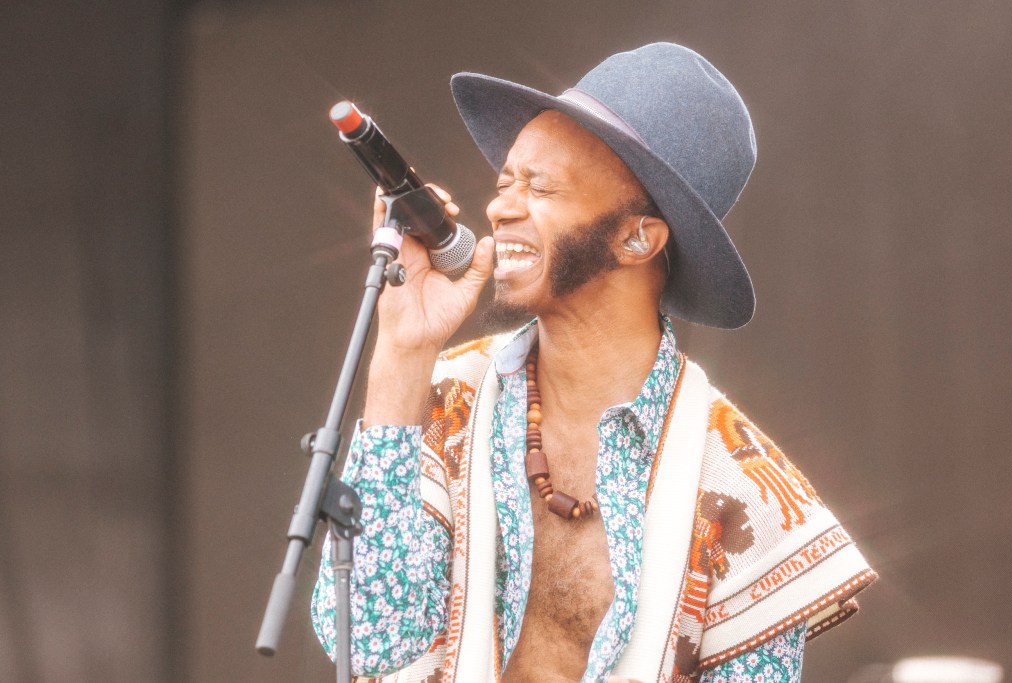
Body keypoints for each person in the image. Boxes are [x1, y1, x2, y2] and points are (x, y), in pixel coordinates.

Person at [311, 43, 876, 683]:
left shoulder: (746, 499)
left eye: (541, 187)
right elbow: (366, 645)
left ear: (637, 238)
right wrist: (404, 351)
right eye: (505, 182)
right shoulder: (445, 403)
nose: (500, 207)